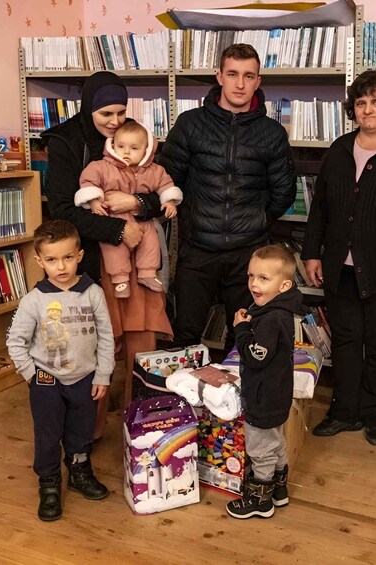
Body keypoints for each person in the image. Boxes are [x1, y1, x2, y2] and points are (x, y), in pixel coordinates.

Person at [41, 71, 172, 430]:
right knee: (94, 347)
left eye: (121, 112)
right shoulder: (66, 142)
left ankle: (140, 424)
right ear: (88, 109)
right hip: (91, 259)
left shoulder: (133, 139)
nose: (115, 123)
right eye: (106, 114)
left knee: (141, 340)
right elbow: (63, 210)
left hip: (137, 260)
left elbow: (161, 188)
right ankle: (88, 431)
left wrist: (137, 203)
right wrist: (118, 230)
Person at [302, 70, 376, 446]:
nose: (368, 109)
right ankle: (343, 412)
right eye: (361, 102)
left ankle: (375, 415)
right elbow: (320, 208)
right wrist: (312, 253)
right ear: (352, 108)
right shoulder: (339, 149)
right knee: (346, 341)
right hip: (341, 267)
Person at [159, 43, 296, 351]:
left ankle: (235, 386)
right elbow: (168, 180)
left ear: (258, 81)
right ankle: (187, 386)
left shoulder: (272, 133)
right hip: (197, 250)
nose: (240, 84)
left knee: (244, 336)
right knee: (185, 335)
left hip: (248, 255)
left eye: (249, 76)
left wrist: (256, 220)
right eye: (232, 74)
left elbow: (284, 192)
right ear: (219, 76)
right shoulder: (190, 123)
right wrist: (193, 218)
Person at [6, 220, 115, 521]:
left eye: (68, 257)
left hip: (85, 378)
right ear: (39, 261)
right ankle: (49, 481)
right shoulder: (33, 300)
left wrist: (103, 374)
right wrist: (31, 374)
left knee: (82, 430)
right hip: (46, 380)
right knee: (48, 433)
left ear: (79, 255)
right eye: (52, 260)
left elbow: (106, 336)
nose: (61, 266)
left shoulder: (92, 293)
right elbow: (15, 341)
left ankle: (79, 471)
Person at [226, 244, 303, 520]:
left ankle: (260, 500)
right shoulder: (277, 309)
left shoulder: (272, 318)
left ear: (284, 285)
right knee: (275, 441)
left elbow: (255, 357)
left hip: (263, 395)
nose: (254, 284)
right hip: (277, 392)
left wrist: (241, 329)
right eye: (251, 276)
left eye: (263, 278)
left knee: (260, 448)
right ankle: (278, 490)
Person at [74, 120, 183, 298]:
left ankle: (147, 273)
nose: (126, 152)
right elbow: (89, 181)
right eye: (121, 146)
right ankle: (120, 278)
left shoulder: (154, 171)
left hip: (141, 219)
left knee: (151, 242)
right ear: (112, 146)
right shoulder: (102, 166)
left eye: (134, 148)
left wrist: (169, 200)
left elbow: (165, 184)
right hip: (114, 217)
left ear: (146, 150)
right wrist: (93, 201)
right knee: (113, 247)